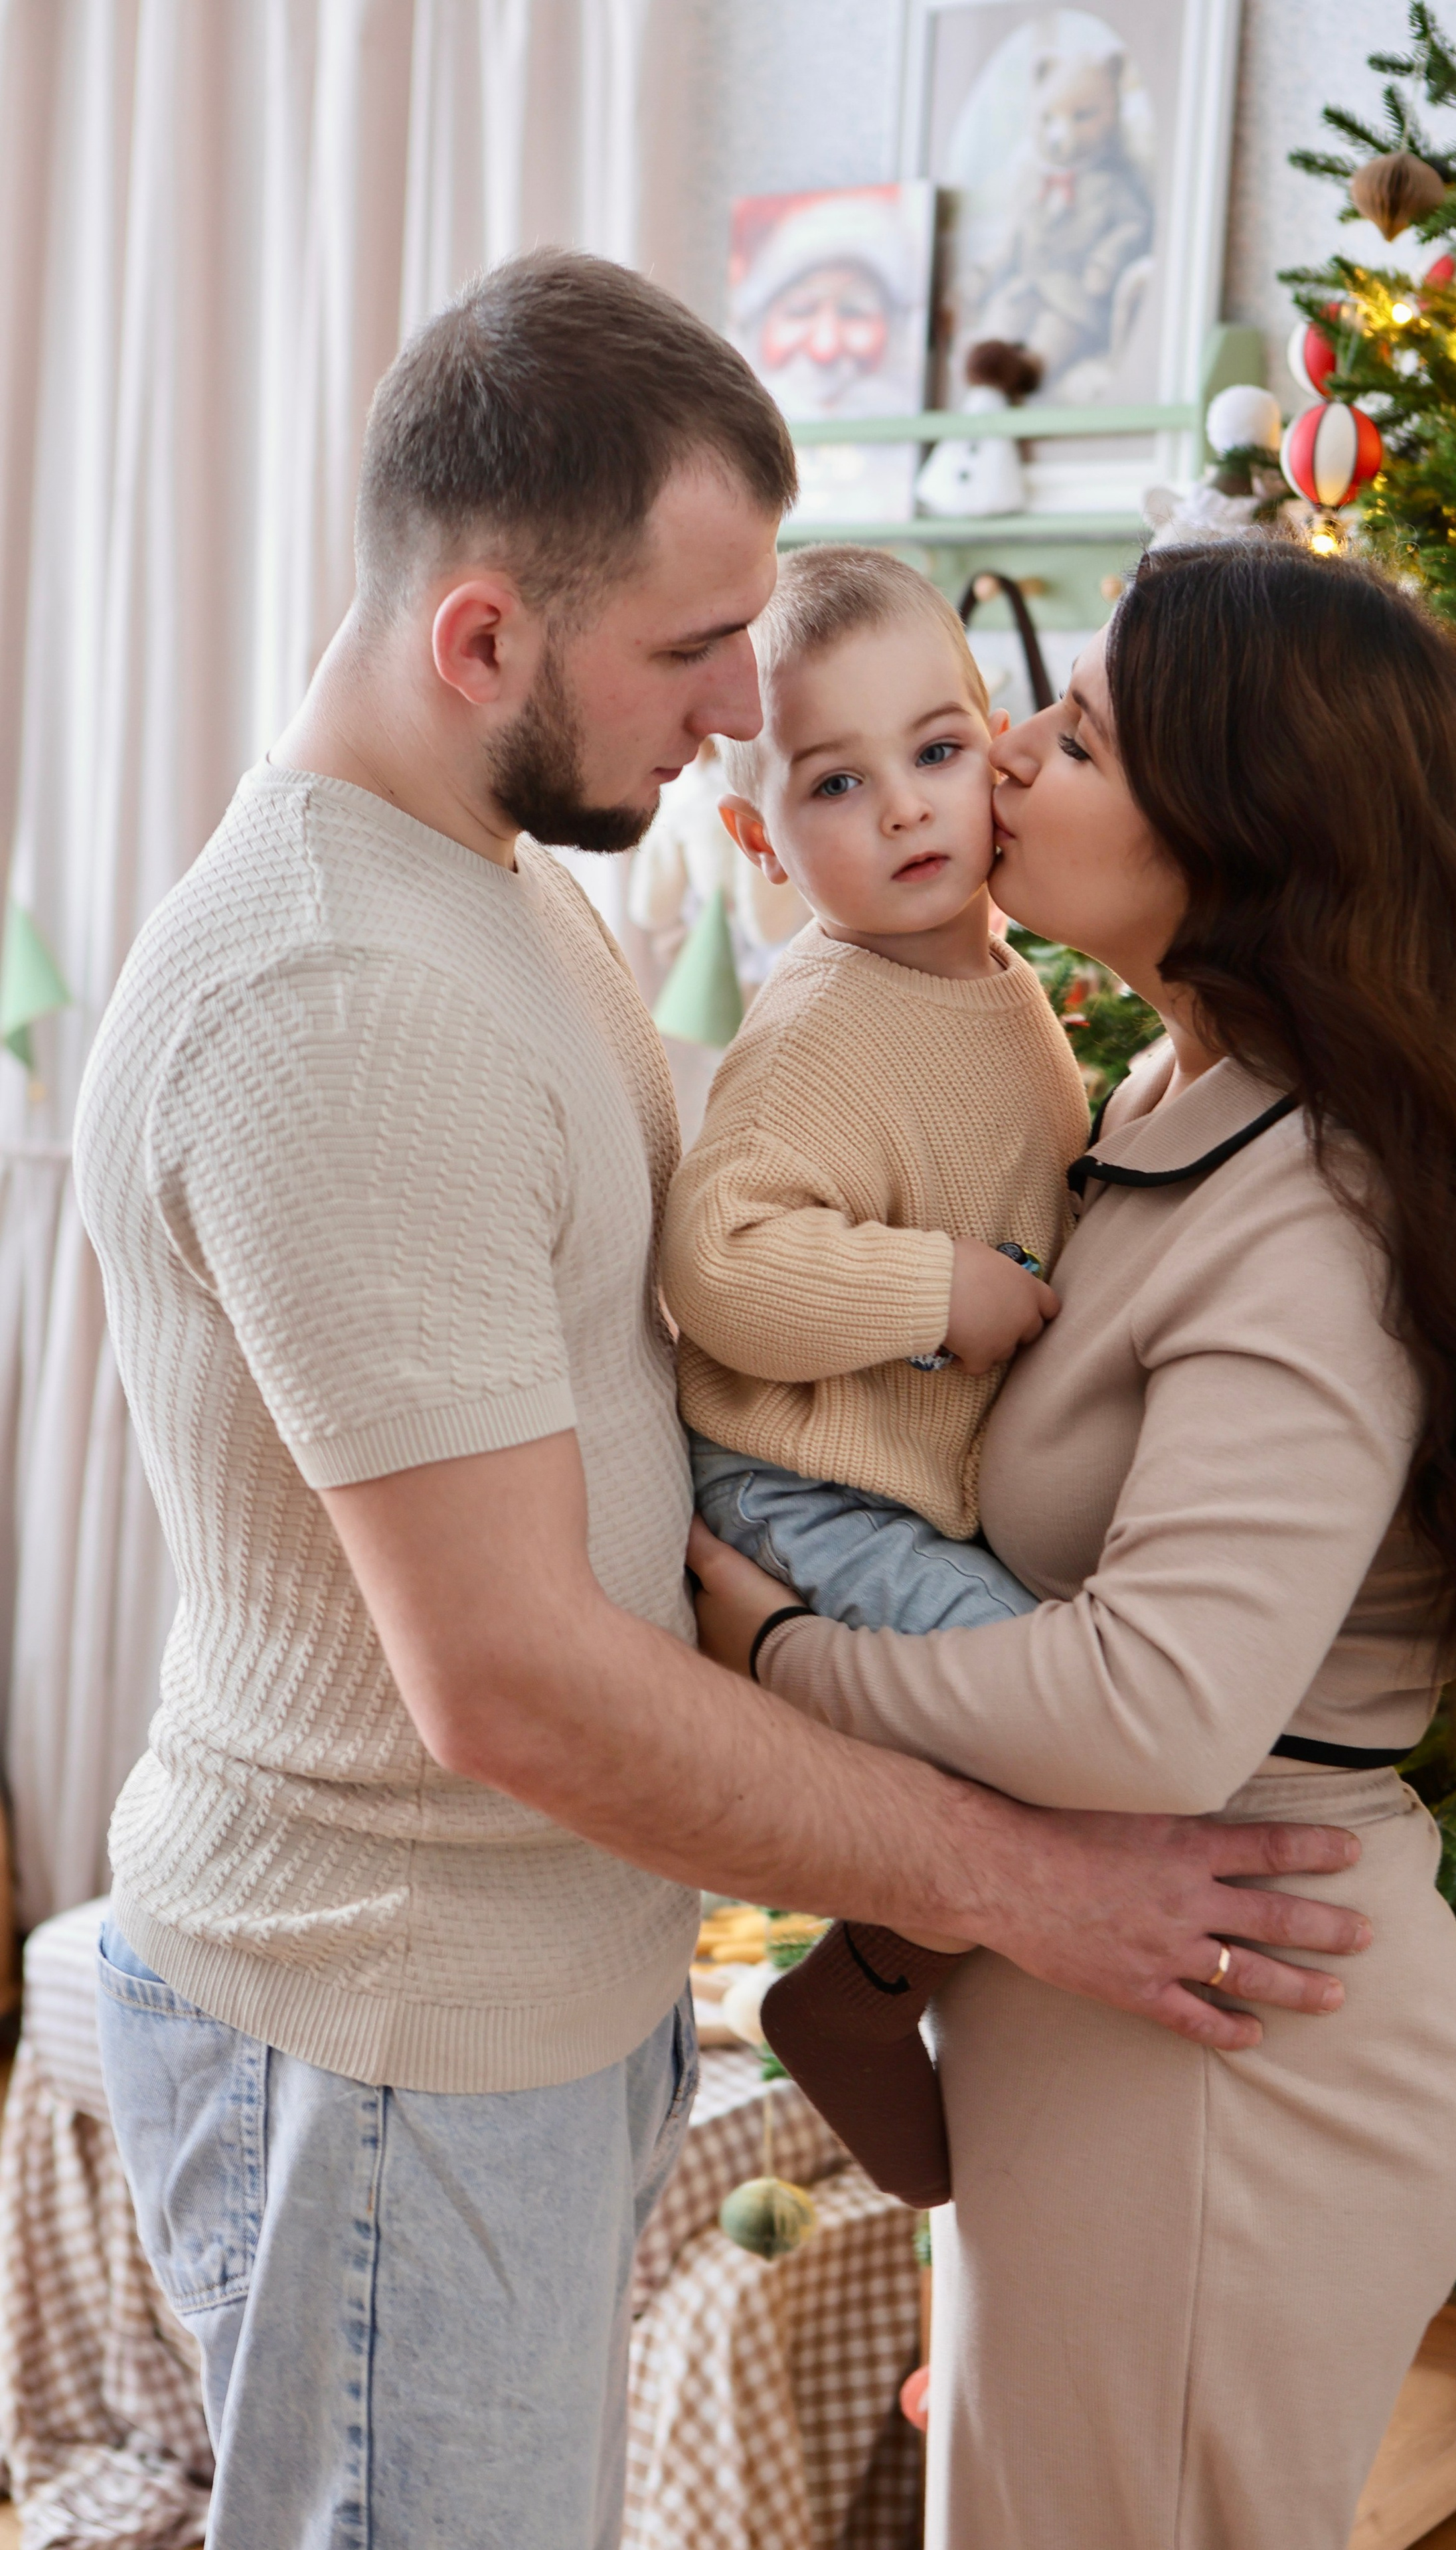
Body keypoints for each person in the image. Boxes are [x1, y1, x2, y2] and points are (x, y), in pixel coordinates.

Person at [73, 255, 1373, 2550]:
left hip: (519, 1998)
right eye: (693, 660)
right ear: (481, 642)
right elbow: (509, 1678)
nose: (733, 711)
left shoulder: (489, 881)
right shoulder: (339, 1002)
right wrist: (1038, 1887)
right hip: (389, 2029)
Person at [692, 542, 1456, 2550]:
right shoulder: (1160, 1098)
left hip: (1234, 2062)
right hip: (1126, 2031)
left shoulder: (1316, 1215)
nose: (1013, 763)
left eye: (1084, 735)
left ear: (1241, 837)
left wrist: (782, 1652)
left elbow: (1148, 1709)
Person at [662, 544, 1082, 2208]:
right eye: (837, 782)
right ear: (762, 840)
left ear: (997, 749)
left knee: (1039, 1697)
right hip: (801, 1477)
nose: (906, 810)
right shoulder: (824, 1017)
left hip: (908, 1472)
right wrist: (937, 1291)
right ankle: (854, 1995)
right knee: (1034, 1699)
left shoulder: (997, 980)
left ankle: (890, 1977)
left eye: (933, 751)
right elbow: (719, 1263)